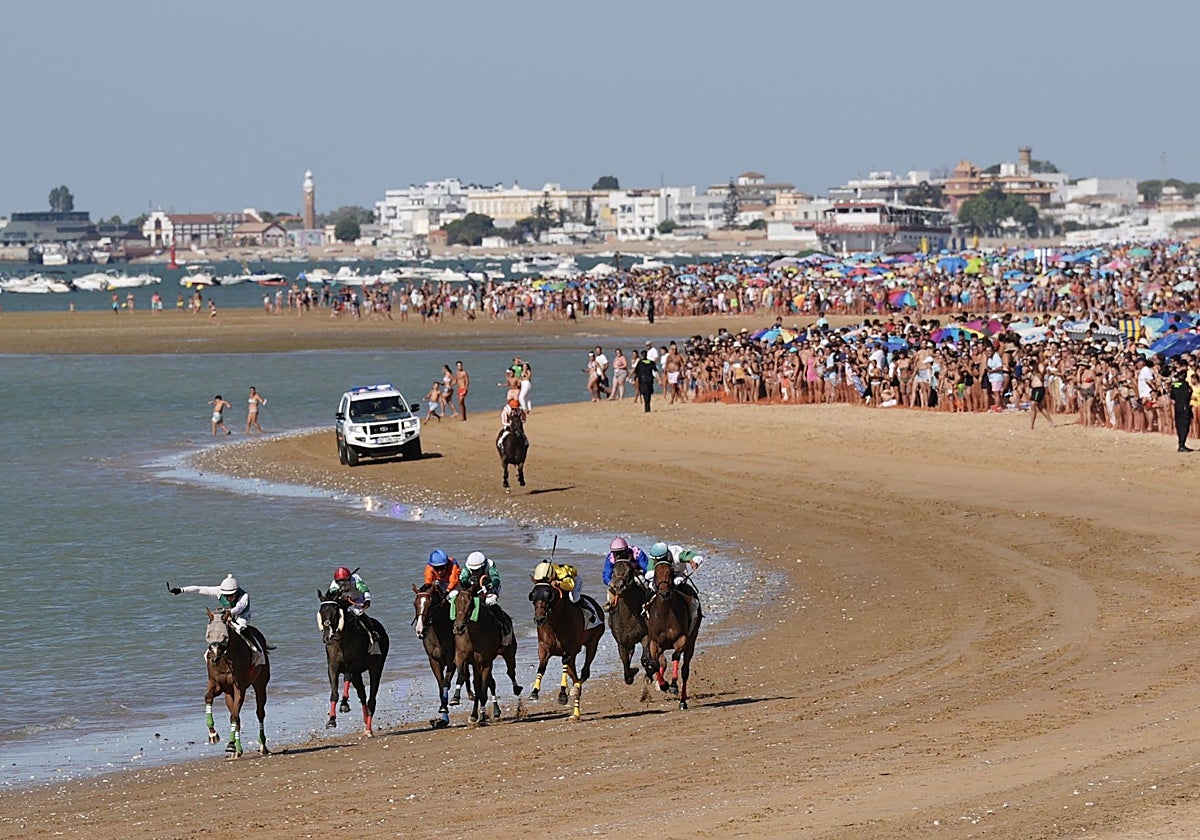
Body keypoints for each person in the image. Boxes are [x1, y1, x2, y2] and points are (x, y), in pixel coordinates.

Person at [169, 573, 265, 666]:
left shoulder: (244, 596)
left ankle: (257, 651)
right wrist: (181, 590)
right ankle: (210, 652)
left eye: (231, 595)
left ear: (236, 591)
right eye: (226, 596)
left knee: (241, 628)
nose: (228, 598)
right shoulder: (219, 591)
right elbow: (199, 589)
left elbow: (239, 607)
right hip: (227, 614)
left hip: (242, 615)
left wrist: (229, 613)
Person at [532, 556, 603, 627]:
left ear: (552, 576)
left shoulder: (562, 573)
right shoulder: (542, 575)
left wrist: (559, 583)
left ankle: (590, 613)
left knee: (573, 598)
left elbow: (570, 586)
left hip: (572, 582)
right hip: (560, 581)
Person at [458, 551, 513, 643]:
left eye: (477, 570)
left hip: (490, 586)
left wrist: (489, 586)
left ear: (483, 566)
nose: (475, 572)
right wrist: (464, 583)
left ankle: (504, 625)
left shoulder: (490, 565)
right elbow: (462, 579)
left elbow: (496, 579)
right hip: (474, 587)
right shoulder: (467, 567)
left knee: (490, 602)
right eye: (473, 570)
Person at [646, 541, 704, 627]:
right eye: (658, 560)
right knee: (650, 588)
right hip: (660, 578)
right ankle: (645, 611)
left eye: (663, 559)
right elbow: (648, 574)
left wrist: (694, 561)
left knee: (678, 582)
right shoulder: (654, 558)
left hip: (678, 576)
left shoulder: (677, 555)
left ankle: (692, 612)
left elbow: (691, 555)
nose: (660, 561)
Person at [327, 566, 381, 654]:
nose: (343, 587)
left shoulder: (356, 581)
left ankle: (373, 632)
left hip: (357, 598)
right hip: (342, 600)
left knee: (358, 613)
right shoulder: (334, 587)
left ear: (349, 580)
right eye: (341, 584)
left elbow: (364, 590)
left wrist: (367, 600)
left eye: (345, 584)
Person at [601, 536, 650, 611]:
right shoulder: (610, 557)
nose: (618, 556)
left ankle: (649, 602)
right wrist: (610, 583)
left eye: (620, 552)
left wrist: (640, 572)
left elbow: (647, 568)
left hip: (636, 575)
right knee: (610, 591)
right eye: (616, 553)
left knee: (642, 582)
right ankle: (610, 605)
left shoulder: (636, 552)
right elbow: (606, 575)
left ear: (626, 550)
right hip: (619, 577)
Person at [1170, 362, 1194, 452]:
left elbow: (1172, 396)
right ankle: (1182, 444)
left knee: (1179, 425)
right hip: (1184, 406)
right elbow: (1187, 395)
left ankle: (1180, 443)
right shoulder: (1185, 385)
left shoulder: (1175, 384)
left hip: (1177, 406)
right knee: (1184, 425)